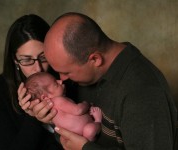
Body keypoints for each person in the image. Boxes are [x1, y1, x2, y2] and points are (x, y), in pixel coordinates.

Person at [19, 12, 178, 150]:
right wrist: (45, 117)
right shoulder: (83, 73)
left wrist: (85, 148)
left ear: (95, 59)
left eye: (66, 72)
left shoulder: (143, 92)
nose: (62, 80)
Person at [0, 14, 65, 150]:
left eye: (43, 57)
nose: (38, 68)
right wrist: (32, 117)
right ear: (15, 60)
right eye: (27, 60)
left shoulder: (64, 77)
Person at [25, 72, 102, 141]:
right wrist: (86, 104)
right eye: (56, 84)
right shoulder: (58, 100)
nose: (60, 81)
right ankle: (98, 121)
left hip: (74, 138)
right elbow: (78, 110)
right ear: (45, 97)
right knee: (90, 130)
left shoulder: (49, 110)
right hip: (86, 129)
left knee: (89, 132)